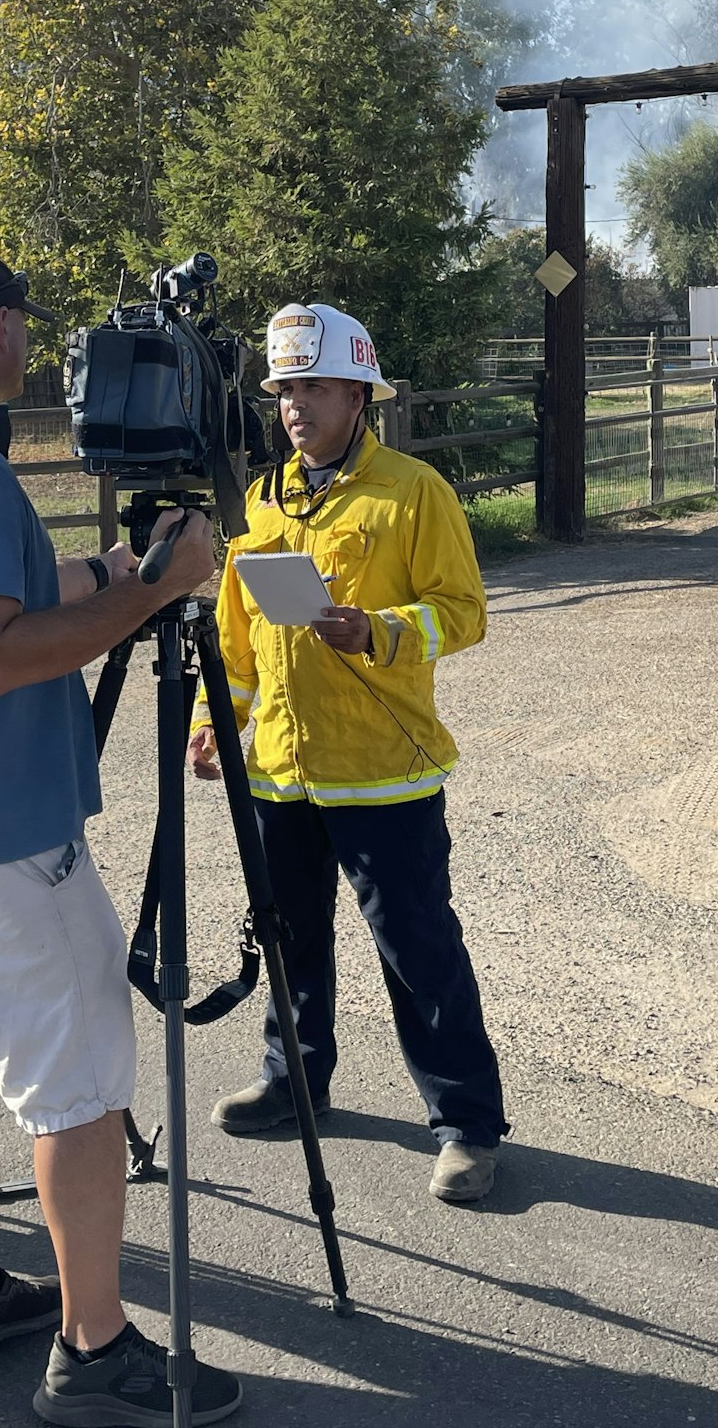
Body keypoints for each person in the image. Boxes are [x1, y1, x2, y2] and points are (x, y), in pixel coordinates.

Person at [0, 246, 242, 1422]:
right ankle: (94, 1347)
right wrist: (160, 593)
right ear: (6, 327)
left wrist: (112, 567)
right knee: (79, 1080)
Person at [188, 302, 507, 1204]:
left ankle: (467, 1126)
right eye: (286, 390)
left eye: (316, 387)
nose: (296, 406)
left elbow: (465, 612)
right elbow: (238, 632)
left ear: (361, 395)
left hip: (384, 773)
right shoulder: (261, 498)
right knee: (288, 942)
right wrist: (221, 717)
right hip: (282, 773)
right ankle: (294, 1085)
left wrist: (377, 631)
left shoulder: (413, 492)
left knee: (416, 950)